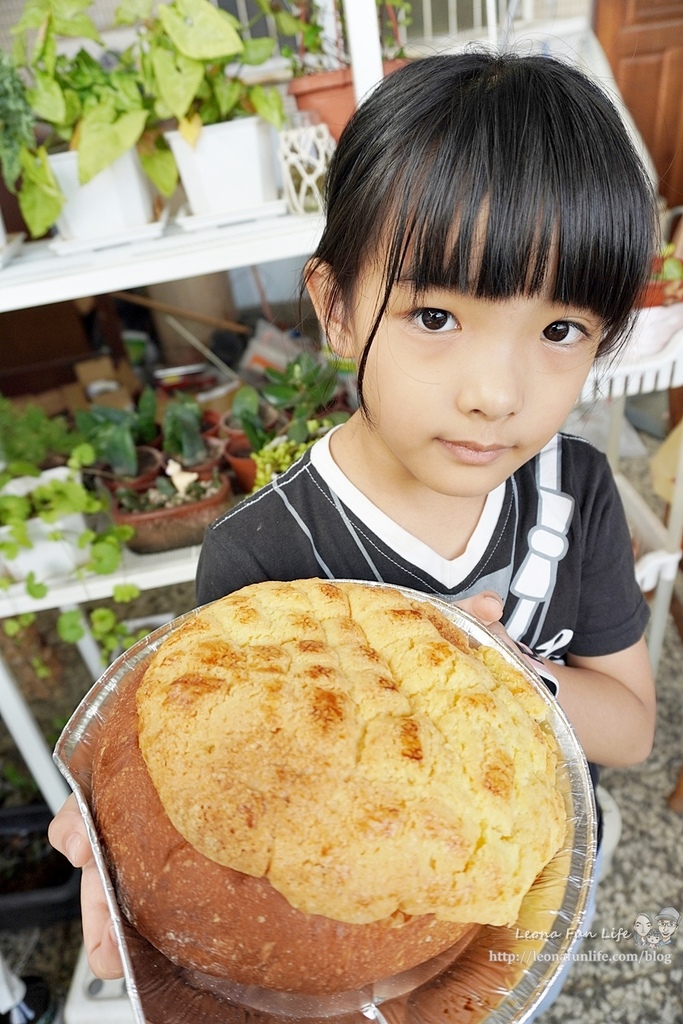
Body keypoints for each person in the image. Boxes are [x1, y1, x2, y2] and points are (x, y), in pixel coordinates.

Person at [49, 51, 657, 1002]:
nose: (495, 395)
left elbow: (626, 729)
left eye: (558, 332)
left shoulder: (573, 490)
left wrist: (500, 675)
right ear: (334, 308)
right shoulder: (264, 554)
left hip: (512, 885)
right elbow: (233, 793)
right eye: (433, 315)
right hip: (347, 935)